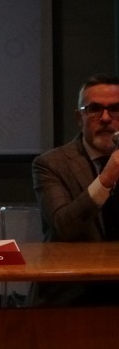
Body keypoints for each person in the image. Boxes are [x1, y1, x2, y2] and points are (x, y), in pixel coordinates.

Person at [32, 73, 119, 305]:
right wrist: (106, 178)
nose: (105, 118)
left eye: (115, 109)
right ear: (79, 117)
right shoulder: (51, 164)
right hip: (73, 292)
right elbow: (64, 227)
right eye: (94, 109)